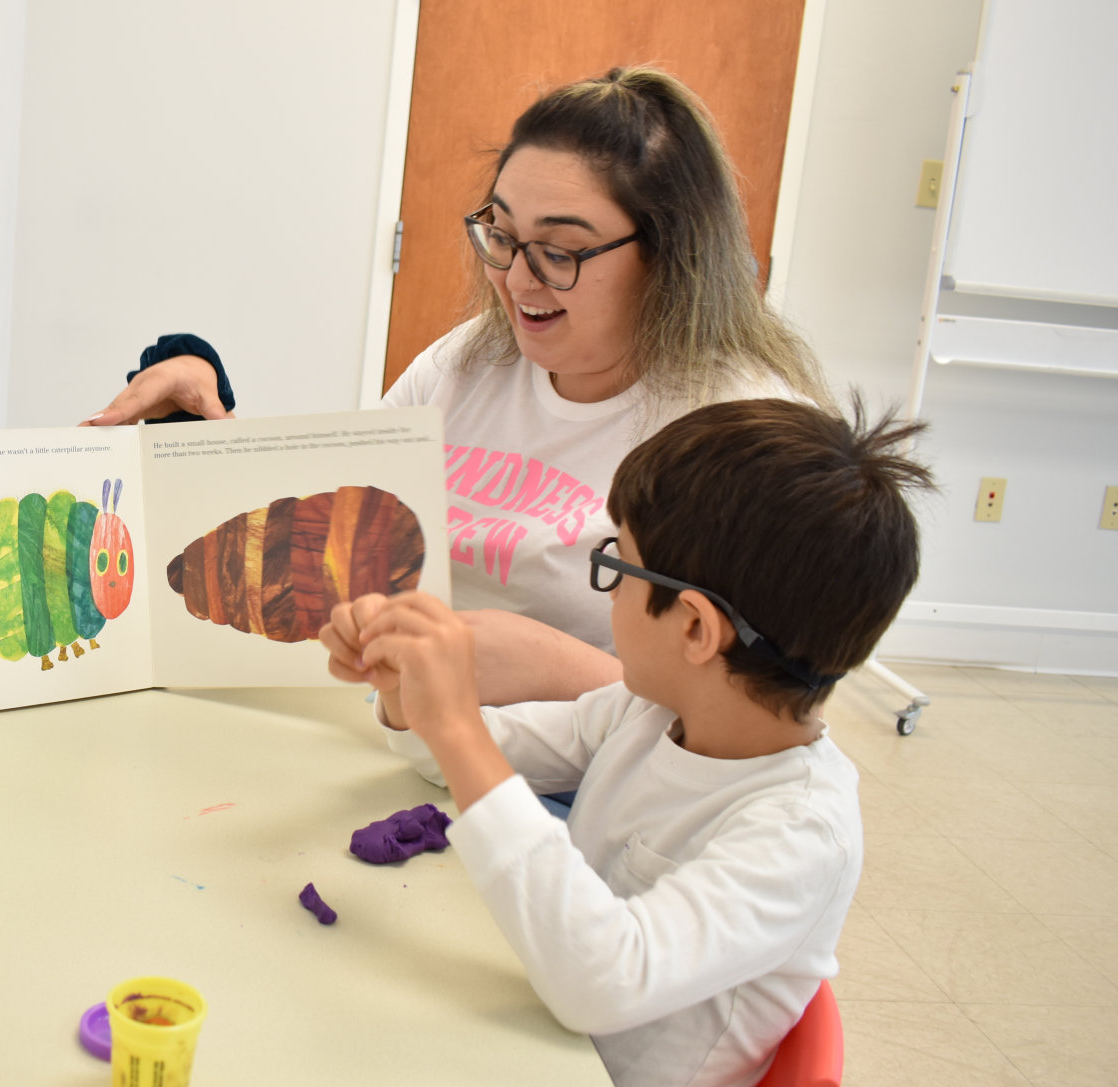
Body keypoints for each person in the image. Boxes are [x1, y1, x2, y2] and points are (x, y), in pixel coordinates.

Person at [81, 67, 830, 708]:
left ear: (671, 256)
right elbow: (336, 505)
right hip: (407, 735)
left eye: (561, 251)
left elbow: (757, 721)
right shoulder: (475, 359)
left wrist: (557, 671)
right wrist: (204, 407)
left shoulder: (740, 429)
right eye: (501, 235)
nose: (514, 279)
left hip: (579, 797)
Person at [320, 398, 932, 1087]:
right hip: (535, 1038)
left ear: (696, 629)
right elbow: (456, 761)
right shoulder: (647, 712)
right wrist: (408, 693)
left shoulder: (799, 833)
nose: (607, 590)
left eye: (620, 568)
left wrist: (459, 723)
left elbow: (601, 981)